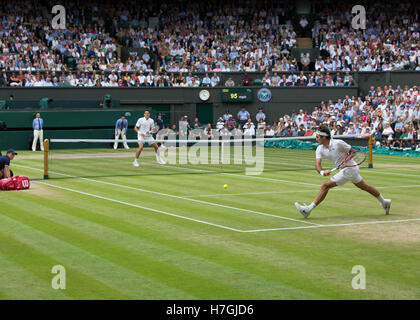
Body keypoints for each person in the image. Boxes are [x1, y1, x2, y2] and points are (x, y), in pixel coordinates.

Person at [294, 125, 391, 218]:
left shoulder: (338, 143)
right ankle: (384, 202)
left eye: (318, 137)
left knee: (325, 186)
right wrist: (322, 172)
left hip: (350, 168)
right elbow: (317, 165)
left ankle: (308, 210)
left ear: (324, 137)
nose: (316, 139)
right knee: (365, 187)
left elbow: (353, 152)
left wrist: (346, 161)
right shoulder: (319, 149)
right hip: (345, 170)